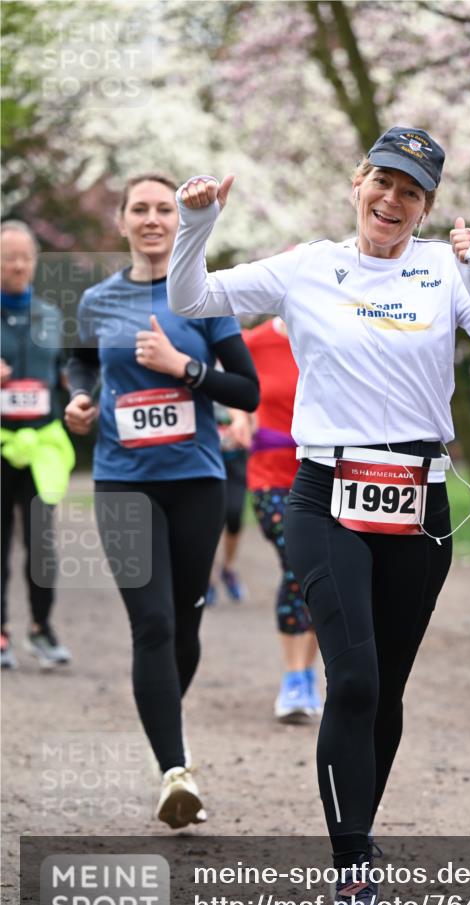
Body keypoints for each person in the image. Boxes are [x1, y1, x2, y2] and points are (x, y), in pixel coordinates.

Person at [167, 126, 470, 905]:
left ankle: (357, 839)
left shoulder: (443, 267)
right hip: (325, 491)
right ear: (357, 183)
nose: (392, 201)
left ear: (426, 207)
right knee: (355, 680)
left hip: (419, 500)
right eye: (382, 183)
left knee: (385, 691)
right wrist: (195, 226)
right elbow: (190, 300)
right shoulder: (307, 266)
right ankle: (355, 872)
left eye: (411, 192)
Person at [64, 173, 259, 829]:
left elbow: (247, 391)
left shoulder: (205, 298)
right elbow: (82, 364)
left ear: (181, 222)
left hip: (196, 482)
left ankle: (163, 729)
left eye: (164, 209)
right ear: (120, 221)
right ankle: (174, 770)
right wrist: (82, 400)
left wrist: (184, 368)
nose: (152, 219)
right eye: (139, 209)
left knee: (183, 624)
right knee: (150, 624)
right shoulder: (96, 300)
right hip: (123, 480)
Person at [232, 315, 321, 723]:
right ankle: (291, 678)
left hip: (323, 471)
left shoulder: (332, 330)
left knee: (323, 572)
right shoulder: (255, 341)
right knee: (297, 562)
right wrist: (238, 416)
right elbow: (234, 383)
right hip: (269, 474)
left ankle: (307, 676)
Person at [1, 220, 75, 670]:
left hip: (43, 445)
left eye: (25, 257)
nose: (17, 265)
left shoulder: (50, 315)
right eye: (9, 257)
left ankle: (41, 628)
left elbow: (69, 372)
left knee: (42, 544)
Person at [205, 402, 249, 606]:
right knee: (210, 520)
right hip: (206, 462)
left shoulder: (239, 372)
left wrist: (246, 428)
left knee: (234, 515)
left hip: (235, 462)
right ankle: (209, 579)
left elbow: (254, 414)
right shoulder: (195, 372)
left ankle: (228, 569)